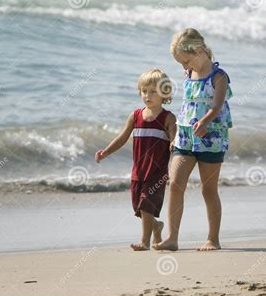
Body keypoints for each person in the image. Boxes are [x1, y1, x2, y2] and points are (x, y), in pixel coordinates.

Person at [153, 28, 233, 252]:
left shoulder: (219, 76)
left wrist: (206, 121)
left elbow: (217, 105)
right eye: (180, 63)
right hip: (186, 136)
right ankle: (172, 238)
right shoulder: (189, 74)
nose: (184, 67)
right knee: (176, 183)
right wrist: (175, 134)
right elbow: (186, 107)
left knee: (208, 190)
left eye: (186, 61)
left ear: (199, 51)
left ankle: (213, 239)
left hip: (211, 136)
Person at [95, 69, 176, 251]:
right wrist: (106, 152)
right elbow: (122, 137)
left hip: (156, 172)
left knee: (146, 204)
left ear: (164, 93)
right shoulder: (136, 116)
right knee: (138, 207)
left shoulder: (168, 118)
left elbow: (174, 137)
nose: (147, 95)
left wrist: (173, 143)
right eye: (144, 91)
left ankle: (144, 242)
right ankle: (155, 226)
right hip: (138, 170)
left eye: (153, 91)